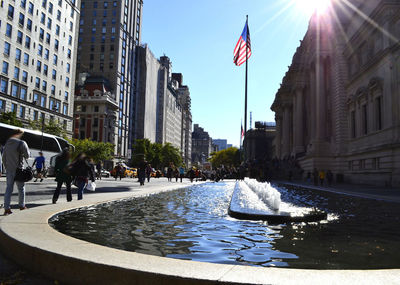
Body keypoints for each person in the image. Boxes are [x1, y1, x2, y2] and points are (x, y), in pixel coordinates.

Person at [2, 129, 30, 215]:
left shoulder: (7, 144)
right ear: (19, 134)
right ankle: (21, 206)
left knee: (8, 189)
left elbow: (3, 158)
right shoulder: (22, 143)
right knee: (21, 188)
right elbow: (27, 156)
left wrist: (7, 168)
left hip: (9, 170)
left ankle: (7, 208)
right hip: (19, 170)